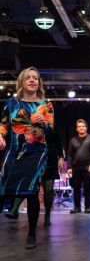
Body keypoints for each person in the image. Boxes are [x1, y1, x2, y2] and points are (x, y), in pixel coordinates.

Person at [0, 66, 54, 249]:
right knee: (3, 188)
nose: (32, 80)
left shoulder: (46, 105)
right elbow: (3, 125)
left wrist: (44, 123)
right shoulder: (12, 103)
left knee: (31, 191)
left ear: (39, 83)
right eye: (28, 77)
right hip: (14, 151)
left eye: (35, 78)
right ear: (21, 82)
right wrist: (0, 136)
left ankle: (31, 234)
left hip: (36, 152)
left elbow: (50, 131)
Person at [5, 125, 64, 226]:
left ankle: (47, 215)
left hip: (50, 158)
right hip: (33, 156)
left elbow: (58, 142)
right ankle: (15, 209)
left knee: (48, 189)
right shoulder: (29, 123)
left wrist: (61, 157)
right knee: (27, 184)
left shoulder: (51, 124)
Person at [67, 119, 90, 214]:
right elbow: (69, 155)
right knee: (76, 188)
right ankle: (77, 207)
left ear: (86, 128)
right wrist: (69, 167)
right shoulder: (73, 140)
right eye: (79, 126)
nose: (81, 128)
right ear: (76, 129)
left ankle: (87, 207)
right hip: (76, 168)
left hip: (87, 168)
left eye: (83, 126)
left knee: (87, 188)